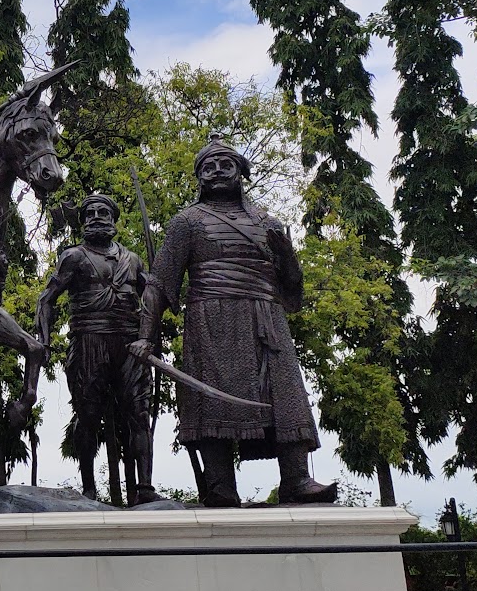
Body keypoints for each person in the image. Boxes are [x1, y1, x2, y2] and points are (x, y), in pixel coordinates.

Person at [131, 135, 337, 507]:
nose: (217, 171)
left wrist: (288, 257)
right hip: (212, 320)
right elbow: (159, 283)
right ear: (199, 177)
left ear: (241, 171)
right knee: (212, 400)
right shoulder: (187, 222)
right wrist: (146, 335)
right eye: (208, 167)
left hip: (266, 318)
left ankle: (296, 479)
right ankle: (220, 486)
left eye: (225, 164)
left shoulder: (268, 222)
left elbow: (292, 293)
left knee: (285, 394)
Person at [38, 193, 155, 504]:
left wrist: (148, 335)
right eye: (90, 214)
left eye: (103, 212)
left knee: (139, 413)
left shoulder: (132, 260)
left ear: (114, 219)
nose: (96, 218)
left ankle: (145, 487)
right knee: (88, 415)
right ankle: (89, 487)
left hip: (130, 345)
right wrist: (44, 342)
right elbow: (46, 300)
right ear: (83, 222)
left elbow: (152, 301)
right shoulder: (73, 257)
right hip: (88, 341)